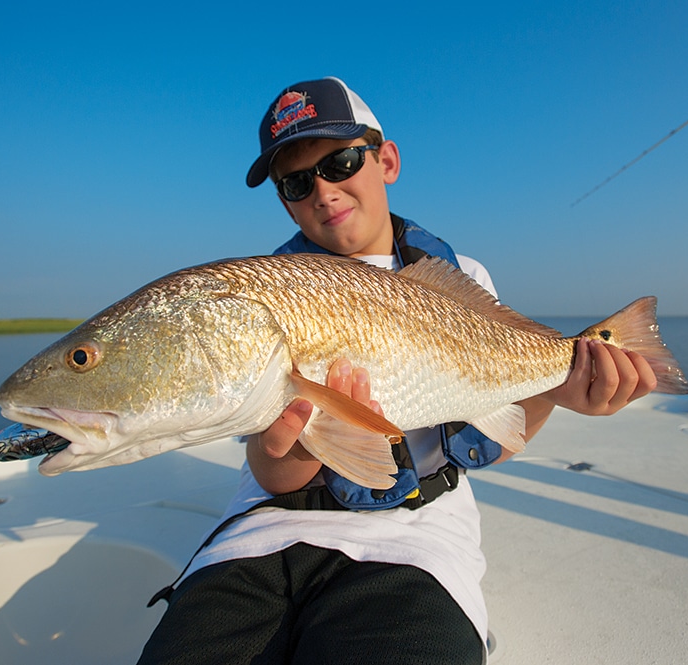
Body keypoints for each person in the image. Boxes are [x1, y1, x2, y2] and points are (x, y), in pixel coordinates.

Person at [137, 77, 657, 665]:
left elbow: (492, 437)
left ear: (386, 159)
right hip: (262, 534)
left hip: (415, 542)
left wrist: (559, 390)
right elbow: (276, 476)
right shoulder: (271, 295)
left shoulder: (463, 279)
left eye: (340, 162)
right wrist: (313, 434)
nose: (323, 191)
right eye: (297, 181)